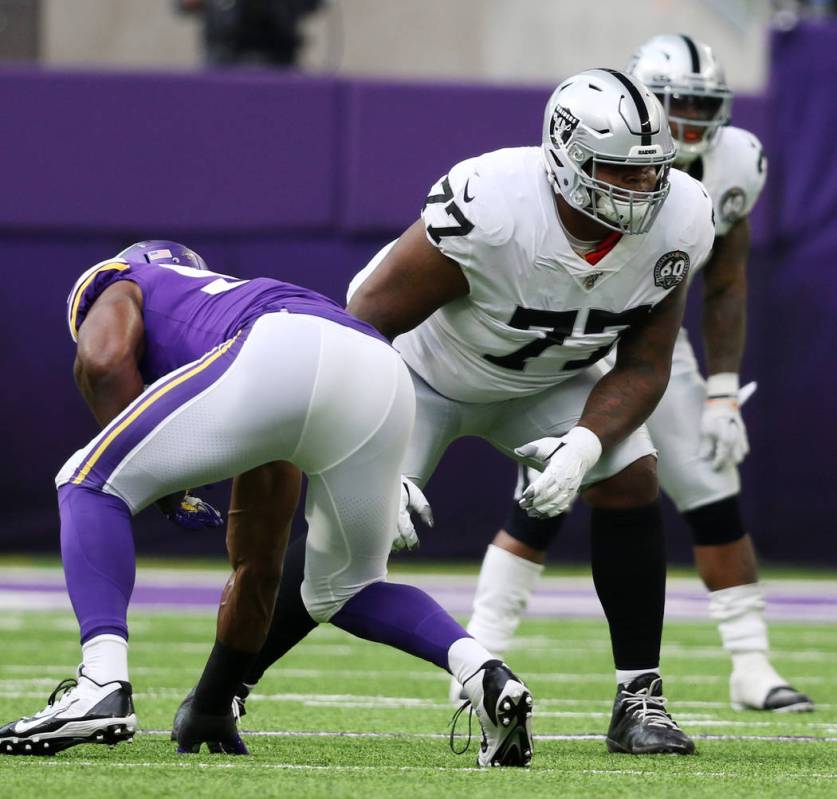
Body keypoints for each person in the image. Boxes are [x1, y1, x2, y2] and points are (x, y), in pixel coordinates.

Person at [181, 67, 716, 756]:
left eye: (652, 172)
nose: (644, 189)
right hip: (416, 378)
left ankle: (638, 698)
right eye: (620, 171)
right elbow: (361, 326)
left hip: (552, 381)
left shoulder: (681, 217)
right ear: (567, 157)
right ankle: (218, 692)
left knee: (630, 474)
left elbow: (645, 364)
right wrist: (366, 454)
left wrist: (584, 443)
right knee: (339, 555)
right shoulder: (493, 205)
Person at [0, 241, 534, 766]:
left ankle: (100, 683)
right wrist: (215, 697)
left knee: (86, 482)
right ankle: (483, 673)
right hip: (380, 369)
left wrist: (162, 489)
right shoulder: (228, 314)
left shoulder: (124, 281)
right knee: (344, 587)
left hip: (279, 351)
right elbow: (259, 568)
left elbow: (101, 361)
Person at [455, 34, 813, 714]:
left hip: (649, 339)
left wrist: (721, 391)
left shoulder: (734, 162)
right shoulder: (577, 159)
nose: (686, 124)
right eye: (674, 104)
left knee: (710, 487)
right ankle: (479, 646)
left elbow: (727, 280)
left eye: (701, 107)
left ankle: (751, 665)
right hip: (565, 332)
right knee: (539, 495)